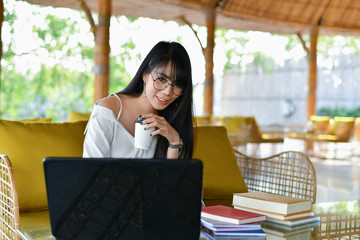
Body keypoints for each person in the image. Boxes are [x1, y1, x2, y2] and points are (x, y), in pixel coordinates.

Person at [83, 41, 194, 159]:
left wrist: (174, 142)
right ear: (145, 74)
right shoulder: (109, 109)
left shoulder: (173, 122)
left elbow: (170, 177)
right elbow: (91, 169)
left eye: (177, 84)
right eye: (161, 79)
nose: (168, 92)